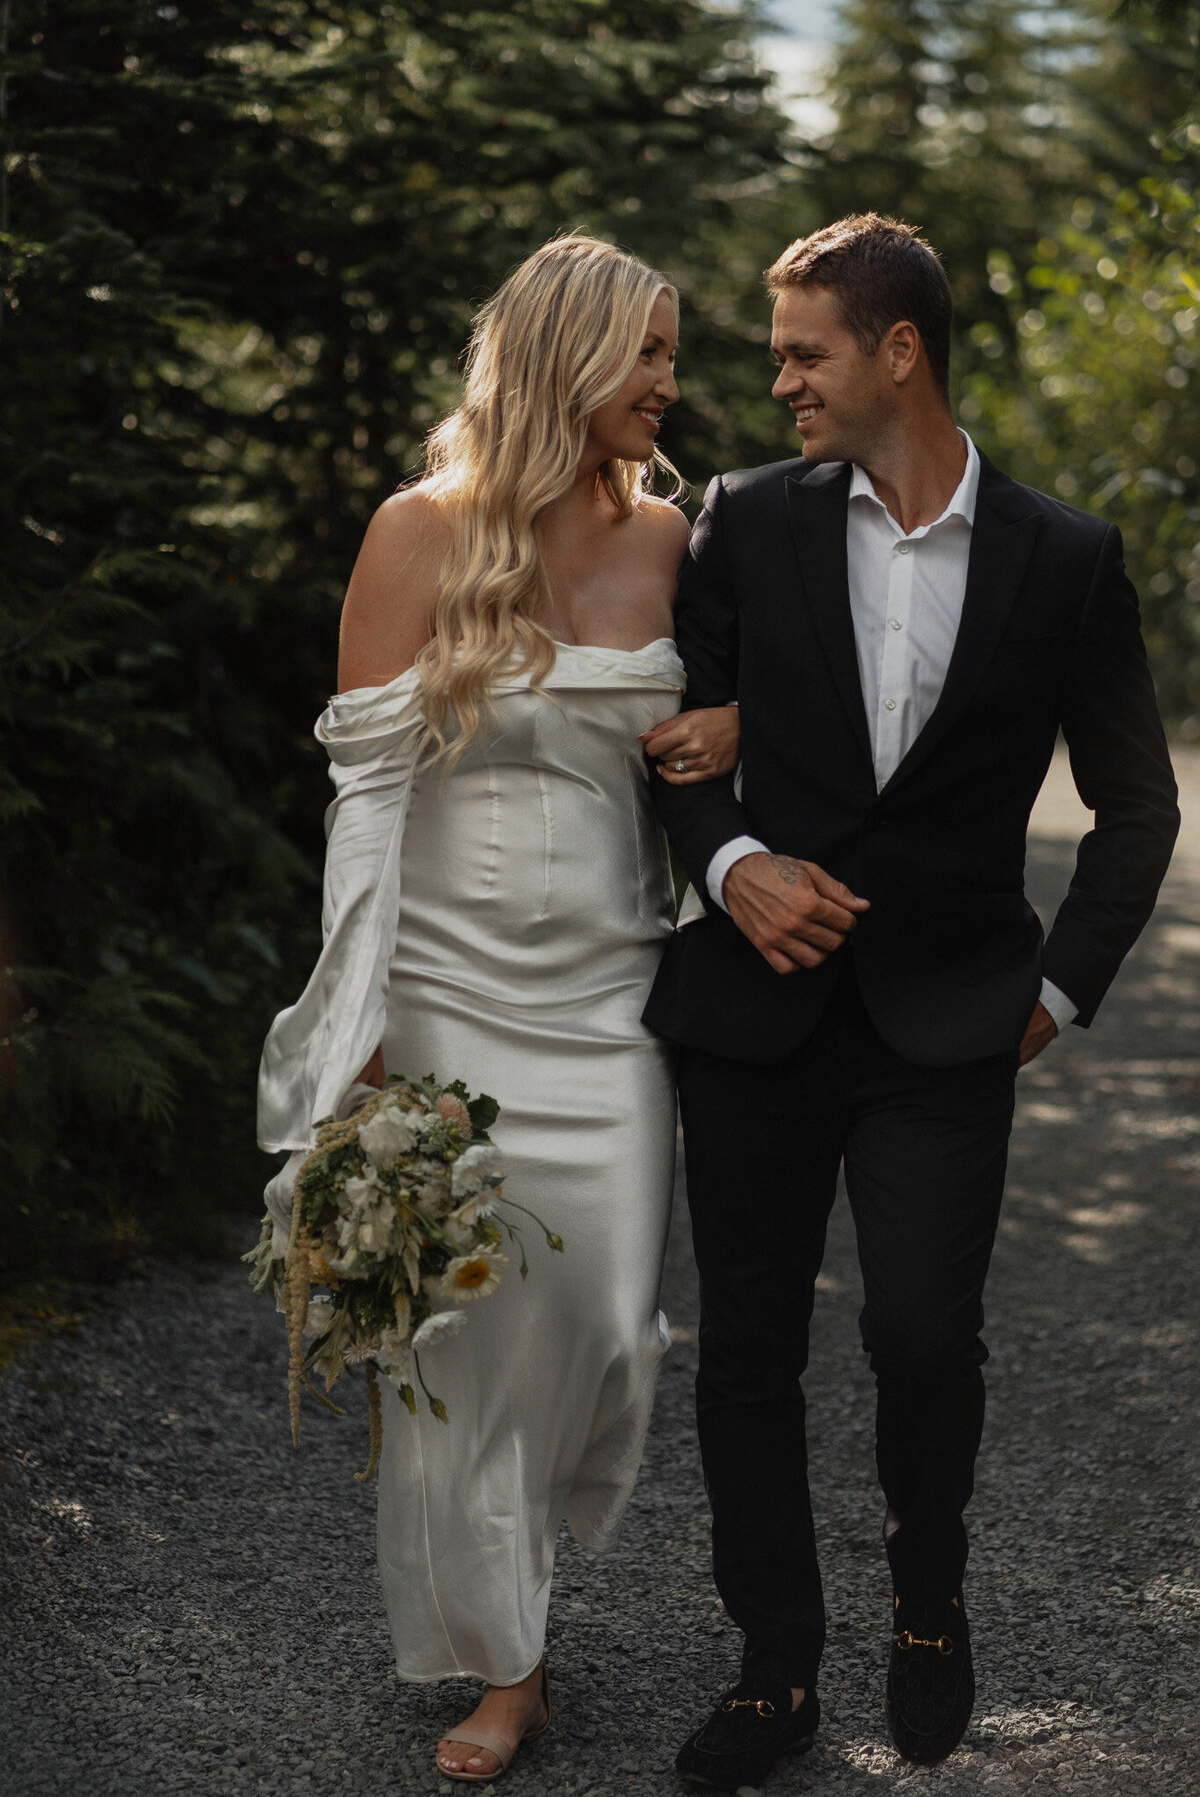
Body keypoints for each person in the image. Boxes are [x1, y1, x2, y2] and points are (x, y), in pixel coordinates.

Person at [646, 213, 1180, 1790]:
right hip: (753, 1006)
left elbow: (1137, 807)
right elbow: (673, 744)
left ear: (899, 351)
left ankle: (929, 1608)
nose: (780, 382)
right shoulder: (743, 519)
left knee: (924, 1335)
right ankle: (774, 1669)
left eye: (804, 352)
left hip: (952, 1022)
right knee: (745, 1348)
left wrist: (1061, 993)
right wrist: (733, 856)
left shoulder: (1065, 556)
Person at [256, 235, 739, 1783]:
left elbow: (744, 737)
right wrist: (359, 1017)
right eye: (648, 356)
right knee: (467, 1331)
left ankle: (522, 1565)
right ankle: (506, 1660)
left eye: (673, 354)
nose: (671, 383)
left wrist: (734, 722)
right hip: (449, 988)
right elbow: (367, 798)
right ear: (565, 358)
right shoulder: (420, 533)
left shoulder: (676, 545)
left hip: (615, 990)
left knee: (606, 1320)